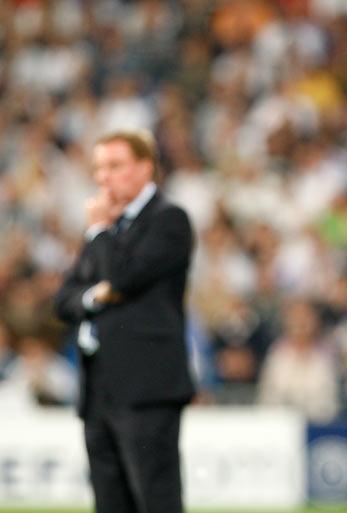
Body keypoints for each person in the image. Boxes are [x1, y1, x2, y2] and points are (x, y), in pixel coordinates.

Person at [54, 130, 195, 513]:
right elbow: (64, 300)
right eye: (98, 168)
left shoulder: (168, 220)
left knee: (155, 499)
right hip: (99, 389)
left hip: (147, 388)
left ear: (145, 168)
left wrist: (99, 232)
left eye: (115, 166)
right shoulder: (109, 228)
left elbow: (122, 277)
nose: (103, 177)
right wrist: (95, 295)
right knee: (109, 502)